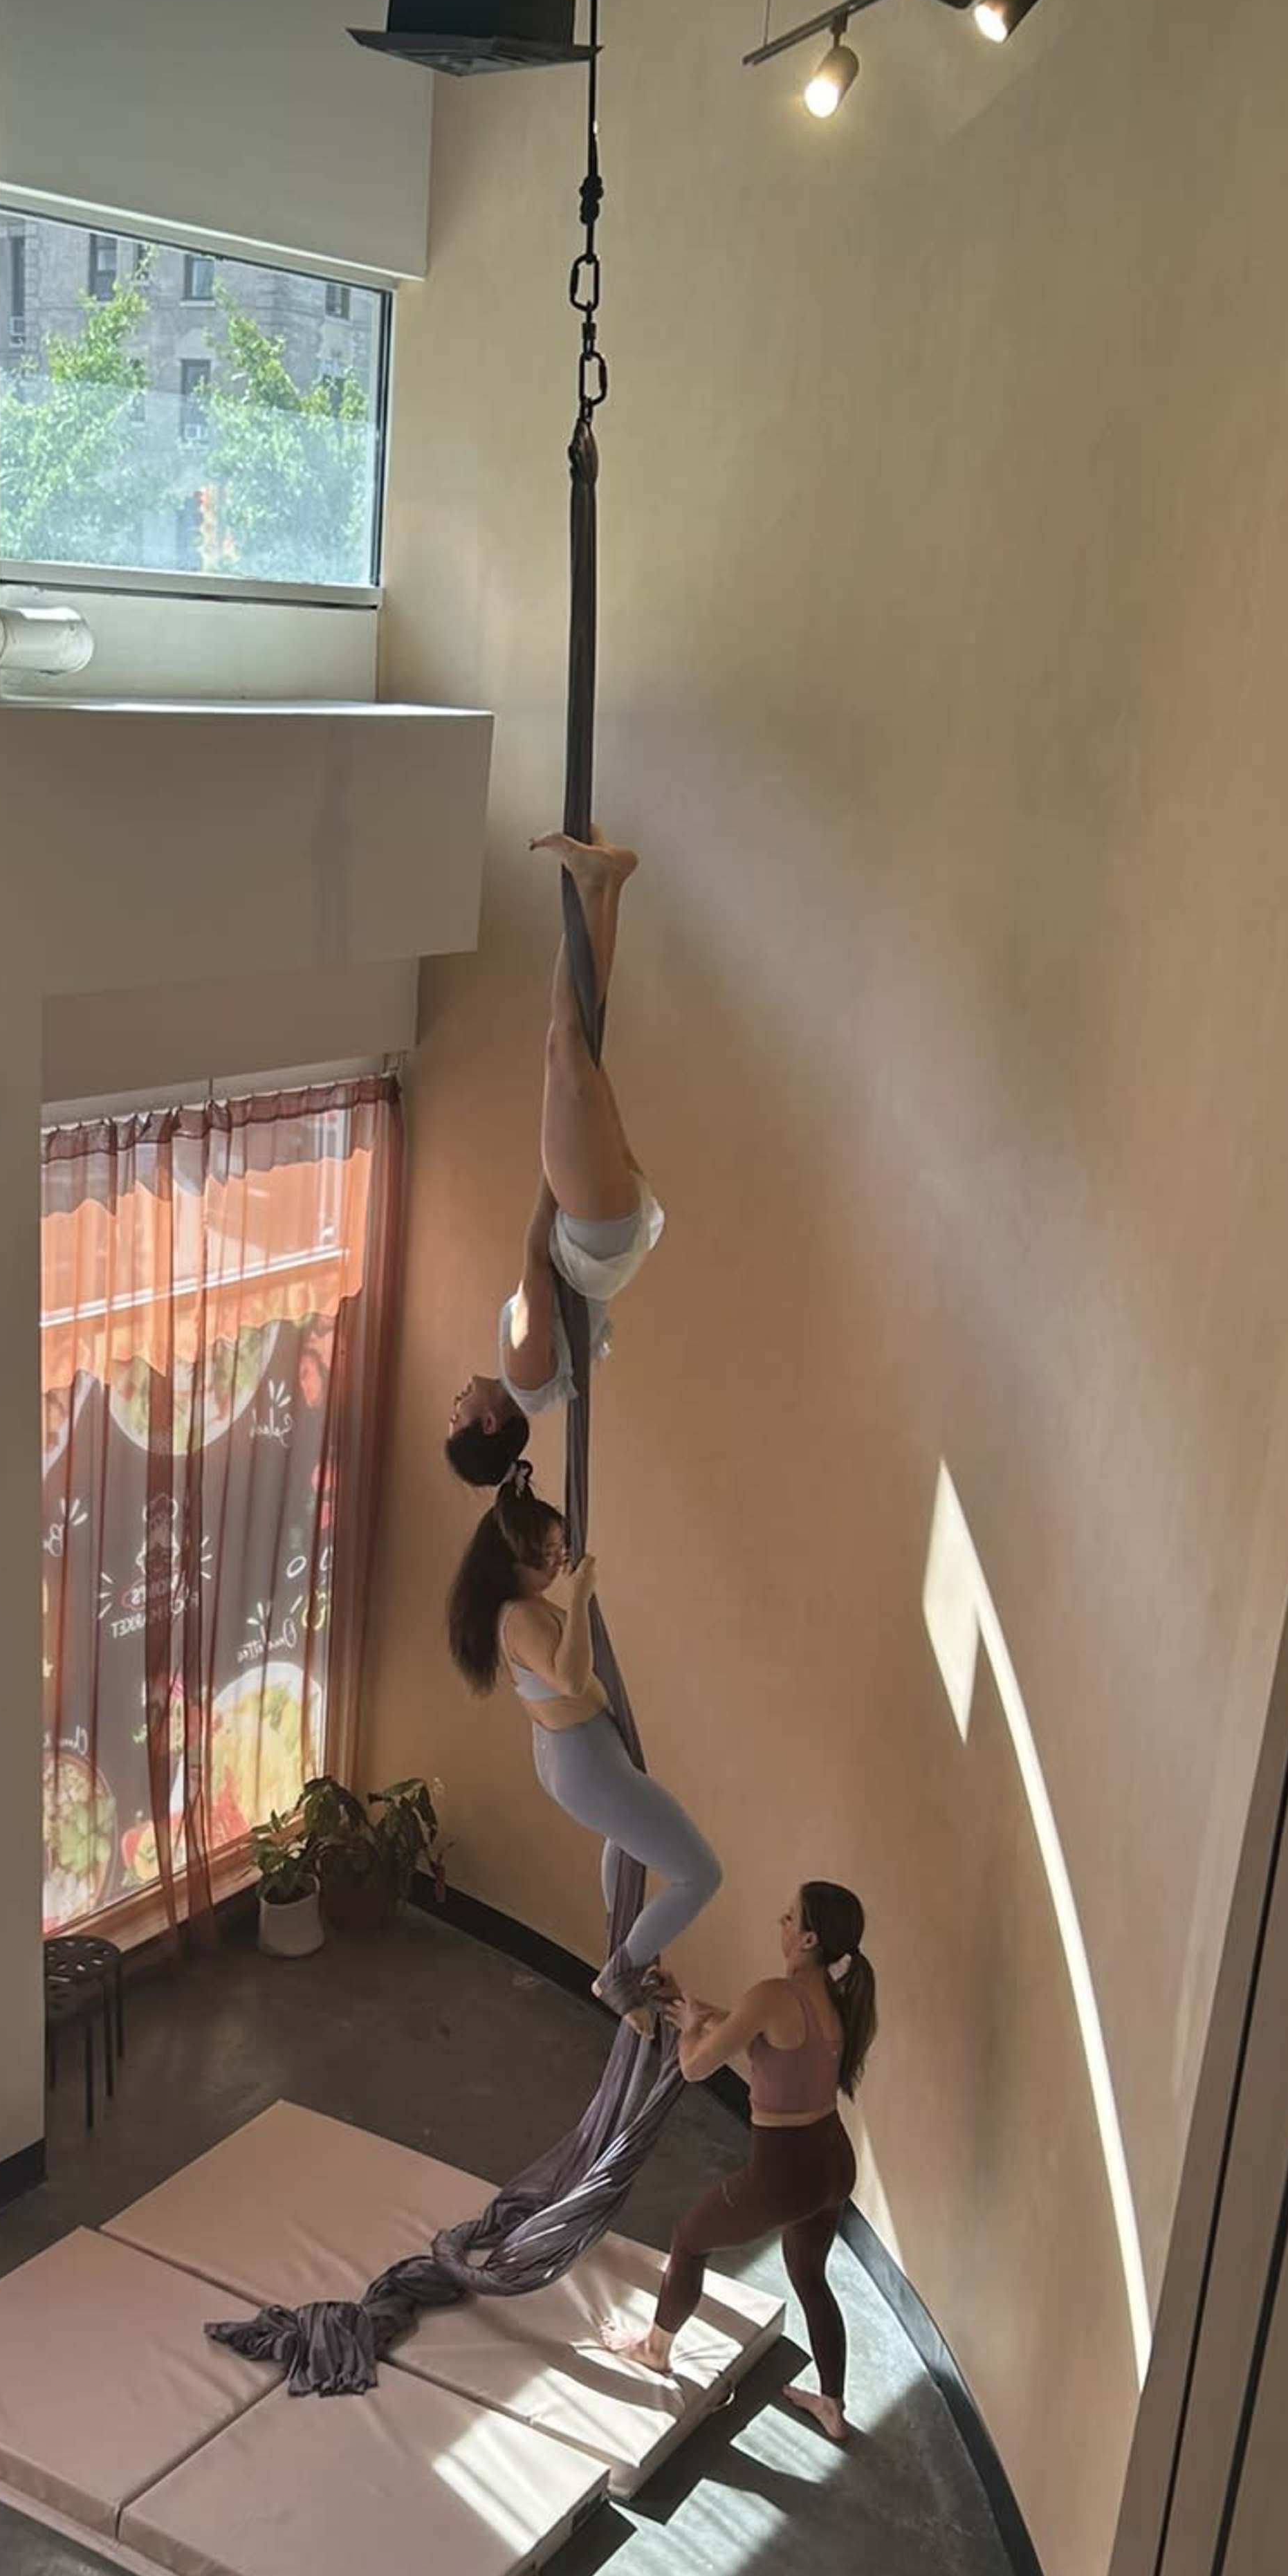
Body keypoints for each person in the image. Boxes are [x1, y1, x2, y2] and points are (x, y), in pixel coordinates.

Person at [445, 1466, 719, 2025]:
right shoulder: (520, 1615)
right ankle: (620, 1974)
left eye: (558, 1550)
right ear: (512, 1560)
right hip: (584, 1760)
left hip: (576, 1755)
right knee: (699, 1873)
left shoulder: (520, 1609)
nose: (556, 1564)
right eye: (546, 1555)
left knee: (628, 1840)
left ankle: (625, 1954)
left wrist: (570, 1592)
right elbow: (571, 1679)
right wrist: (583, 1593)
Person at [609, 1883, 878, 2441]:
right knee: (809, 2274)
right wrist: (695, 2009)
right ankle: (831, 2404)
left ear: (807, 1939)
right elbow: (759, 2032)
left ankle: (654, 2351)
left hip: (786, 2174)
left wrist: (688, 2032)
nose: (779, 1923)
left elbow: (695, 2069)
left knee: (689, 2238)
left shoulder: (774, 1993)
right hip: (833, 2162)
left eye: (789, 1916)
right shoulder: (834, 1994)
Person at [447, 829, 663, 1487]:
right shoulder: (521, 1374)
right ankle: (596, 885)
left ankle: (607, 886)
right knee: (565, 1046)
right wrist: (551, 1171)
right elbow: (534, 1261)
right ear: (488, 1424)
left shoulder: (537, 1386)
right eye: (457, 1416)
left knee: (579, 1049)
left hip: (603, 1232)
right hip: (588, 1232)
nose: (455, 1402)